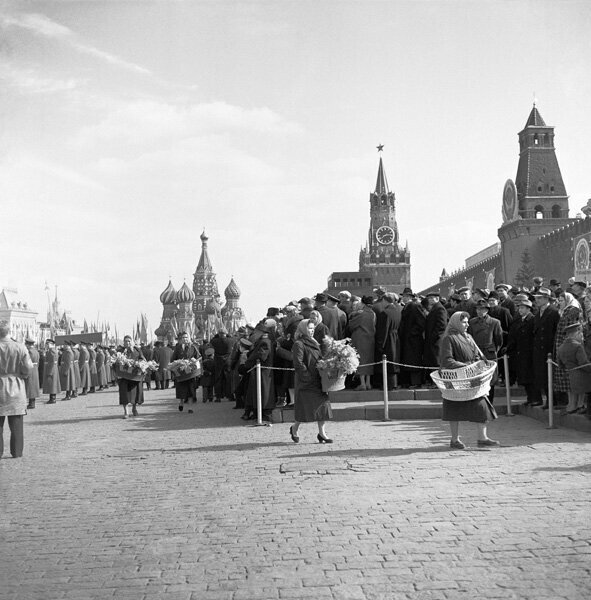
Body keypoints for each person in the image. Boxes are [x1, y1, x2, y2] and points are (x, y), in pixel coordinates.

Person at [438, 312, 499, 449]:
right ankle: (454, 440)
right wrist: (466, 366)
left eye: (467, 322)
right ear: (456, 323)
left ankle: (482, 438)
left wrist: (480, 363)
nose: (467, 325)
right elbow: (447, 360)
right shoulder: (448, 338)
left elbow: (476, 354)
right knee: (454, 409)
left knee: (482, 407)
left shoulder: (469, 337)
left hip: (473, 379)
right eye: (464, 322)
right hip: (456, 380)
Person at [289, 319, 333, 443]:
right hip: (306, 381)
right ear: (303, 329)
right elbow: (298, 363)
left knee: (322, 407)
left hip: (318, 380)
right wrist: (307, 376)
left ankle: (322, 433)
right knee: (305, 409)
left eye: (313, 328)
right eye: (309, 328)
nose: (312, 331)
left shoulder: (315, 342)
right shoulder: (299, 343)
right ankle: (294, 428)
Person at [0, 321, 33, 458]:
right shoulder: (20, 347)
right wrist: (22, 375)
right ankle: (17, 452)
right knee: (17, 425)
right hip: (16, 387)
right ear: (9, 331)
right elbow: (28, 367)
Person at [468, 300, 503, 404]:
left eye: (482, 309)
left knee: (490, 380)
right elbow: (469, 338)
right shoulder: (472, 322)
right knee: (477, 379)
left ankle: (489, 403)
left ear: (487, 310)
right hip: (476, 353)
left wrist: (493, 350)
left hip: (489, 353)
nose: (479, 311)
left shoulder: (494, 322)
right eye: (478, 309)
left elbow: (499, 340)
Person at [506, 299, 539, 405]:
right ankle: (530, 398)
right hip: (520, 352)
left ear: (528, 309)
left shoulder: (532, 320)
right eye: (519, 308)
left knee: (531, 378)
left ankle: (536, 398)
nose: (520, 310)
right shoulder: (519, 320)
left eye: (522, 308)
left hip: (529, 353)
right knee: (524, 378)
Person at [553, 292, 582, 407]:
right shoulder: (564, 311)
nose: (559, 303)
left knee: (572, 379)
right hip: (563, 347)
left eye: (561, 300)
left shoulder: (572, 311)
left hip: (570, 347)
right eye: (559, 300)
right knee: (566, 379)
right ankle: (571, 403)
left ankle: (576, 404)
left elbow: (571, 330)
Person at [557, 322, 591, 415]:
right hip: (581, 375)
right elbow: (583, 362)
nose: (582, 336)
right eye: (580, 333)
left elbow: (560, 364)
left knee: (572, 392)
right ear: (576, 333)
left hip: (569, 373)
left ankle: (573, 406)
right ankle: (581, 406)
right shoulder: (578, 346)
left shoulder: (560, 348)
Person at [346, 296, 376, 391]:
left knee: (361, 360)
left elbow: (352, 325)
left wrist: (352, 315)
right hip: (370, 339)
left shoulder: (361, 314)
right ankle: (368, 383)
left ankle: (362, 383)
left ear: (362, 303)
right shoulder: (373, 313)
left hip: (360, 339)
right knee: (369, 360)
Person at [374, 293, 402, 390]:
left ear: (384, 300)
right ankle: (394, 383)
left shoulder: (385, 313)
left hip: (389, 338)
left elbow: (383, 330)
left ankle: (389, 385)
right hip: (396, 337)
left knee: (388, 361)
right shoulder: (398, 310)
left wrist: (380, 344)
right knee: (394, 360)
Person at [115, 335, 145, 418]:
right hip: (123, 376)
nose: (127, 343)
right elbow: (114, 361)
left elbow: (142, 359)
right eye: (126, 341)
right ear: (123, 342)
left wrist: (139, 364)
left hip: (134, 376)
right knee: (124, 393)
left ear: (131, 341)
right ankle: (126, 412)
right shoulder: (120, 351)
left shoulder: (137, 350)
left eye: (129, 341)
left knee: (134, 393)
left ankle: (134, 408)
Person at [172, 332, 201, 413]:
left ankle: (190, 407)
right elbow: (173, 359)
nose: (185, 339)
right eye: (183, 338)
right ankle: (181, 402)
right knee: (181, 389)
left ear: (189, 338)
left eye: (186, 337)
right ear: (181, 339)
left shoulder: (193, 347)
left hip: (190, 372)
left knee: (190, 389)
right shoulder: (178, 348)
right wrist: (177, 363)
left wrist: (193, 361)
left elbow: (198, 357)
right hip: (181, 372)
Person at [24, 339, 40, 410]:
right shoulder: (36, 351)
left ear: (28, 344)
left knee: (30, 387)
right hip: (35, 369)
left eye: (26, 344)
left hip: (30, 370)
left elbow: (27, 362)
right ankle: (32, 402)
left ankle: (31, 403)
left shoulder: (30, 352)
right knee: (33, 386)